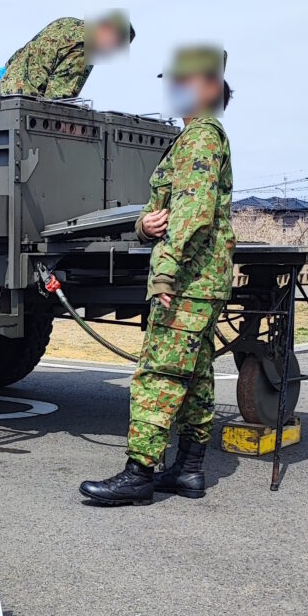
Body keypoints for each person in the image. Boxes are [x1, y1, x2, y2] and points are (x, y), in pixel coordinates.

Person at [80, 45, 235, 506]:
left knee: (158, 375)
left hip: (188, 279)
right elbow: (163, 212)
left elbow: (192, 213)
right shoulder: (193, 139)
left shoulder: (202, 138)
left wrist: (165, 274)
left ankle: (140, 474)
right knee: (196, 375)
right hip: (202, 279)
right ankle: (187, 470)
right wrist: (142, 224)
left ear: (208, 87)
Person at [0, 11, 133, 100]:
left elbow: (28, 48)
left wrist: (7, 72)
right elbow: (59, 97)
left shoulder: (65, 23)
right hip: (27, 104)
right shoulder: (87, 46)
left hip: (0, 94)